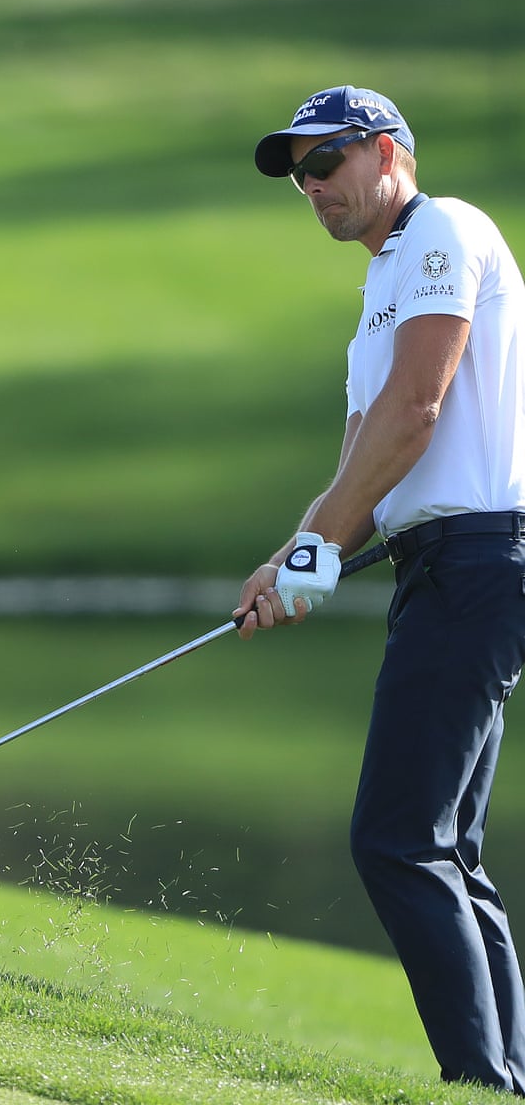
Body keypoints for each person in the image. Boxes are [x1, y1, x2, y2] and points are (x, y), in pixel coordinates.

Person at [235, 85, 525, 1094]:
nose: (313, 187)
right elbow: (360, 462)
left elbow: (418, 413)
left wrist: (313, 559)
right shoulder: (380, 292)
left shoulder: (443, 228)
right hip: (445, 567)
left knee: (397, 840)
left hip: (483, 558)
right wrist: (291, 558)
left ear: (390, 151)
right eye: (300, 176)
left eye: (329, 162)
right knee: (445, 848)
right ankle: (503, 1081)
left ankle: (478, 1082)